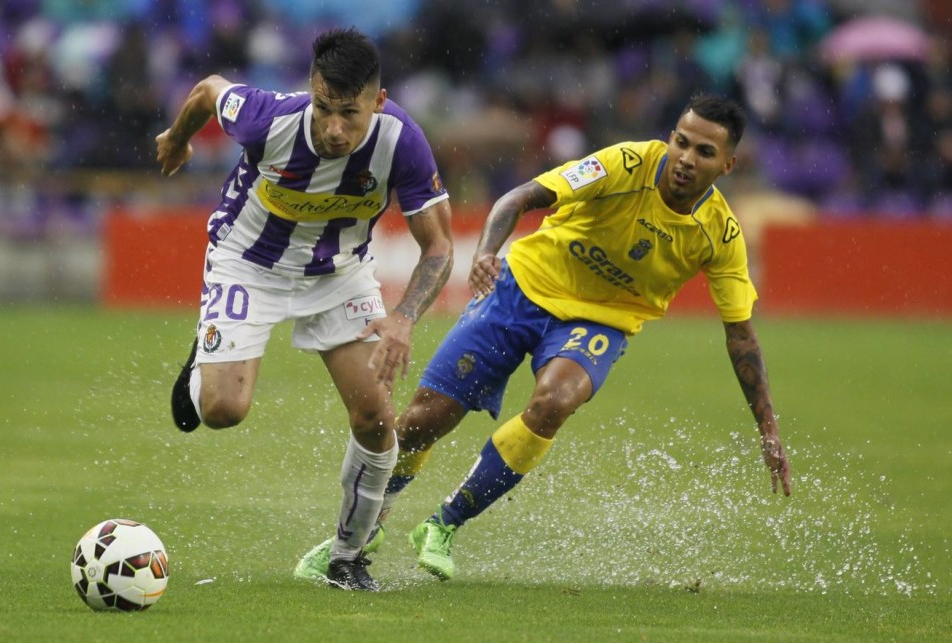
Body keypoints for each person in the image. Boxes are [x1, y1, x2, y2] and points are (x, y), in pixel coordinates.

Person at [296, 94, 790, 584]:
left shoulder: (720, 234)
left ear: (727, 164)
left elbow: (741, 335)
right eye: (681, 142)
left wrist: (767, 428)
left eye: (704, 152)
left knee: (555, 401)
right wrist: (487, 251)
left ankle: (442, 525)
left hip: (599, 322)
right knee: (426, 420)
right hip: (522, 289)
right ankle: (363, 527)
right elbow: (520, 198)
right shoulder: (623, 164)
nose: (686, 158)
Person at [155, 28, 454, 592]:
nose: (334, 128)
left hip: (340, 276)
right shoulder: (266, 116)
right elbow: (206, 89)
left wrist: (403, 317)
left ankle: (347, 558)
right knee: (223, 410)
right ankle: (206, 357)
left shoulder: (401, 141)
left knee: (376, 418)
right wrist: (176, 138)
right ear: (310, 90)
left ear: (379, 101)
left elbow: (438, 246)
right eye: (323, 108)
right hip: (249, 262)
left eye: (350, 113)